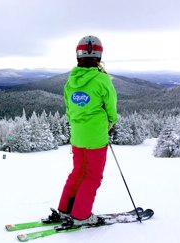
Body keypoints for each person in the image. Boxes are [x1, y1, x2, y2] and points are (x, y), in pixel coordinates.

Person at [44, 35, 118, 228]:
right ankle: (81, 215)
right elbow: (111, 109)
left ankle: (65, 209)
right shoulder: (103, 80)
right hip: (96, 136)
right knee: (93, 176)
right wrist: (111, 123)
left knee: (78, 172)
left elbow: (69, 108)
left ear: (78, 55)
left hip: (77, 135)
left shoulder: (71, 80)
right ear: (99, 55)